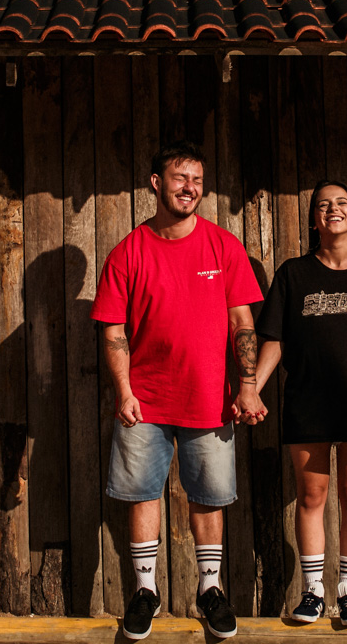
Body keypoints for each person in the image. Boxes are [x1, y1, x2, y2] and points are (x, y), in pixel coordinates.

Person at [92, 141, 263, 640]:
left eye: (196, 180)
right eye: (179, 178)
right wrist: (123, 389)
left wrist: (247, 386)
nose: (189, 187)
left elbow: (242, 322)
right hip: (145, 399)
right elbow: (114, 330)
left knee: (208, 496)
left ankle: (209, 590)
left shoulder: (223, 246)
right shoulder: (129, 251)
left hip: (211, 395)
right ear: (155, 183)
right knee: (140, 493)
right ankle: (145, 591)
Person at [238, 180, 347, 625]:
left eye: (341, 204)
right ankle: (313, 591)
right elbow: (273, 339)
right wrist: (252, 386)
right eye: (322, 205)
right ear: (315, 220)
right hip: (309, 400)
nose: (331, 209)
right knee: (311, 495)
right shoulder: (294, 275)